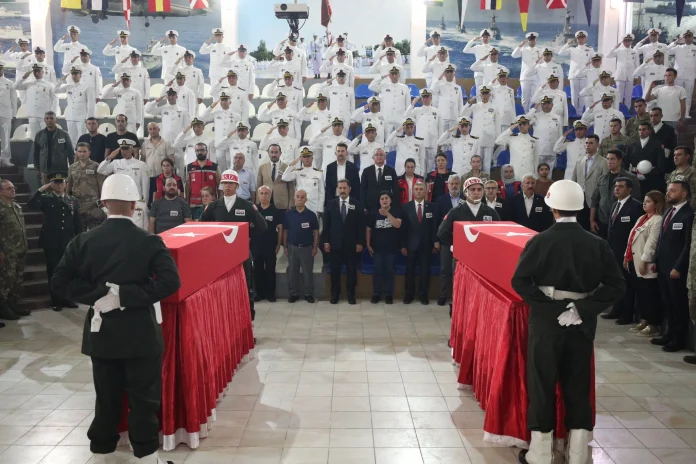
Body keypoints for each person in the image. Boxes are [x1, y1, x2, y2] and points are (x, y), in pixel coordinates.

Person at [50, 174, 181, 464]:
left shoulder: (83, 240)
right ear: (135, 205)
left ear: (104, 203)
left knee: (106, 399)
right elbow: (170, 282)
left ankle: (103, 454)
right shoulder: (150, 241)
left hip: (103, 334)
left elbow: (59, 282)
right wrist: (127, 296)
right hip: (140, 334)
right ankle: (146, 457)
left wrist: (99, 295)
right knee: (144, 400)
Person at [511, 180, 625, 464]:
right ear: (580, 207)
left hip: (545, 323)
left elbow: (520, 281)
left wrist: (549, 309)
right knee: (578, 386)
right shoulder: (598, 244)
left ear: (552, 208)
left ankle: (540, 454)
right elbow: (616, 286)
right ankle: (577, 453)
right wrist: (582, 308)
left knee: (542, 385)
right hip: (581, 324)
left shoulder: (539, 241)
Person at [201, 169, 267, 319]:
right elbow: (202, 225)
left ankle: (247, 319)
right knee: (221, 287)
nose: (227, 186)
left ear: (237, 186)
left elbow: (262, 226)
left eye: (231, 183)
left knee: (245, 286)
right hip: (220, 254)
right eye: (225, 183)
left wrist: (245, 235)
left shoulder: (246, 205)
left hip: (241, 253)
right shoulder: (213, 206)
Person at [28, 172, 82, 312]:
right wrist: (41, 189)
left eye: (61, 182)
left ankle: (67, 298)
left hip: (68, 241)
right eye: (56, 183)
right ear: (51, 184)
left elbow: (77, 222)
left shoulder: (72, 200)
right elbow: (31, 204)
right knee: (53, 271)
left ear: (65, 184)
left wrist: (79, 240)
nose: (59, 185)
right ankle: (56, 300)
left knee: (68, 271)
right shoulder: (46, 199)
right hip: (51, 242)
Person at [652, 181, 693, 353]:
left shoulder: (689, 214)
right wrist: (655, 260)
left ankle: (678, 339)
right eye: (668, 190)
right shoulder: (669, 211)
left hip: (676, 269)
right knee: (667, 302)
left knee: (678, 304)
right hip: (663, 266)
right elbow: (661, 239)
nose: (668, 193)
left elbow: (688, 245)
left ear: (684, 194)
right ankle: (668, 333)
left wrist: (678, 267)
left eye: (673, 191)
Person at [601, 178, 644, 325]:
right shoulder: (615, 205)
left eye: (620, 186)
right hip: (614, 251)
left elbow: (635, 230)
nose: (617, 189)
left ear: (629, 189)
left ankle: (627, 314)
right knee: (617, 282)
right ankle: (616, 310)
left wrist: (629, 250)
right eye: (616, 186)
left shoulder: (636, 206)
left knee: (628, 283)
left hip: (627, 251)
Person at [625, 191, 665, 338]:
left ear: (657, 203)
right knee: (642, 293)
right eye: (644, 201)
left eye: (648, 201)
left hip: (646, 262)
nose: (644, 203)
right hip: (634, 259)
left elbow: (652, 242)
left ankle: (653, 324)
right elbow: (632, 238)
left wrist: (644, 260)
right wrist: (626, 256)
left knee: (650, 294)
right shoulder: (642, 218)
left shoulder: (657, 219)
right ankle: (644, 320)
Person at [322, 179, 365, 304]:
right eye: (340, 188)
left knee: (351, 270)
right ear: (337, 189)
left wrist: (360, 242)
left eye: (344, 188)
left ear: (349, 189)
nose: (342, 190)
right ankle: (335, 294)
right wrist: (326, 242)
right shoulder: (330, 204)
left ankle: (351, 294)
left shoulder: (357, 204)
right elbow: (326, 225)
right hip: (334, 244)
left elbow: (361, 226)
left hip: (351, 244)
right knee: (335, 271)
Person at [401, 180, 439, 305]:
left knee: (425, 271)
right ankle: (409, 294)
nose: (418, 191)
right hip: (410, 245)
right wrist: (402, 245)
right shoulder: (406, 207)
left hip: (426, 245)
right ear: (413, 192)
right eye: (416, 189)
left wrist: (435, 242)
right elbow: (403, 228)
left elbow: (434, 226)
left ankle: (423, 295)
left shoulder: (432, 206)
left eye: (421, 189)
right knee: (410, 270)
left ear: (425, 191)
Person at [437, 177, 501, 249]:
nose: (476, 192)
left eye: (479, 189)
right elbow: (442, 233)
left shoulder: (491, 212)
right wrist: (457, 243)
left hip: (484, 251)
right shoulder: (455, 212)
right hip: (463, 252)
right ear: (465, 192)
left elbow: (499, 233)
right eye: (472, 189)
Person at [590, 149, 641, 238]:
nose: (609, 161)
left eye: (612, 159)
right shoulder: (602, 178)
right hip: (602, 221)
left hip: (622, 223)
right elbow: (594, 200)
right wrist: (592, 220)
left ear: (620, 161)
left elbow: (636, 201)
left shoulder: (631, 178)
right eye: (608, 159)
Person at [283, 189, 319, 303]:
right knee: (292, 272)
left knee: (308, 273)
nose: (299, 199)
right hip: (292, 247)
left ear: (306, 200)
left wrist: (315, 247)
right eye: (297, 196)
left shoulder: (311, 215)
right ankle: (294, 294)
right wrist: (285, 246)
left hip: (307, 248)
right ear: (294, 198)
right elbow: (285, 231)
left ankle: (309, 294)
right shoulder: (288, 214)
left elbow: (316, 232)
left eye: (302, 197)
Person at [0, 179, 28, 323]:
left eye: (13, 187)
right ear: (1, 192)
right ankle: (3, 308)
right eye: (9, 188)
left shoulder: (16, 206)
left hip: (20, 248)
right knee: (6, 281)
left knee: (17, 279)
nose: (13, 190)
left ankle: (13, 305)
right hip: (7, 251)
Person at [366, 191, 401, 304]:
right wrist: (368, 244)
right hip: (377, 249)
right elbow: (368, 229)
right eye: (382, 198)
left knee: (389, 271)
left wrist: (387, 214)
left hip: (391, 248)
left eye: (386, 198)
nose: (384, 200)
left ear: (390, 200)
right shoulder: (374, 213)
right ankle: (376, 294)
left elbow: (397, 225)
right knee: (377, 270)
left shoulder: (396, 211)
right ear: (379, 201)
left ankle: (388, 294)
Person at [435, 175, 463, 306]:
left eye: (456, 183)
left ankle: (457, 296)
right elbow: (436, 221)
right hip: (446, 240)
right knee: (445, 269)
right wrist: (436, 240)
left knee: (459, 270)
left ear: (460, 185)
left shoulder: (466, 199)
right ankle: (443, 295)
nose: (454, 186)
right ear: (448, 185)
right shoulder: (441, 200)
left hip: (462, 240)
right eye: (452, 183)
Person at [253, 185, 283, 302]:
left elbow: (280, 228)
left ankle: (270, 294)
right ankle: (259, 294)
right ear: (258, 195)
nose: (264, 196)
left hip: (270, 246)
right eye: (262, 193)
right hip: (256, 245)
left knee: (270, 270)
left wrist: (278, 244)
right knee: (257, 270)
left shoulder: (275, 211)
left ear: (270, 196)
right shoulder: (254, 210)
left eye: (266, 194)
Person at [460, 86, 500, 173]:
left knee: (487, 164)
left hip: (489, 137)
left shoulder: (494, 107)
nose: (485, 95)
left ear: (489, 94)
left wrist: (497, 137)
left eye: (486, 93)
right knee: (477, 163)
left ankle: (486, 180)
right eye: (483, 93)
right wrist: (468, 103)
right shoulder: (475, 106)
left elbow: (497, 123)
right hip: (477, 138)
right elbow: (463, 114)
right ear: (480, 95)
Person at [572, 134, 608, 230]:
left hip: (596, 201)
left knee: (594, 228)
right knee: (580, 227)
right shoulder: (579, 161)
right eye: (586, 143)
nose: (588, 145)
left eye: (591, 143)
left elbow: (605, 184)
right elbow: (573, 181)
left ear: (598, 145)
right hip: (580, 199)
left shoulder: (604, 162)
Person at [67, 142, 104, 230]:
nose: (82, 154)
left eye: (84, 151)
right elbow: (69, 184)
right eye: (79, 151)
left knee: (94, 230)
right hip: (77, 203)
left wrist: (102, 199)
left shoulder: (96, 166)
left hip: (92, 203)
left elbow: (101, 184)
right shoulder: (72, 167)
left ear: (89, 153)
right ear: (76, 152)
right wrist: (66, 198)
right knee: (79, 230)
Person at [14, 64, 57, 138]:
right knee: (35, 137)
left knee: (46, 137)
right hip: (32, 115)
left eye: (38, 71)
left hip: (44, 116)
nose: (36, 73)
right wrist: (23, 78)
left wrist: (53, 114)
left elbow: (55, 100)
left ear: (42, 72)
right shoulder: (29, 84)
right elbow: (15, 86)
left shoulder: (49, 85)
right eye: (35, 71)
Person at [55, 67, 95, 142]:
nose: (74, 76)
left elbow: (90, 103)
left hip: (81, 117)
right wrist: (61, 80)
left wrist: (89, 117)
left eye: (76, 74)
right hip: (70, 116)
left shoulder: (86, 87)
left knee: (82, 139)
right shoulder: (68, 86)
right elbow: (55, 90)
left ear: (80, 75)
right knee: (71, 139)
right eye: (72, 74)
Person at [32, 112, 74, 185]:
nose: (49, 120)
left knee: (60, 190)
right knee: (47, 191)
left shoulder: (64, 134)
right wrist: (37, 169)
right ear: (44, 120)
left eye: (51, 118)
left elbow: (71, 153)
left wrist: (72, 168)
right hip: (45, 170)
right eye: (47, 118)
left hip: (60, 170)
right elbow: (36, 153)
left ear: (56, 119)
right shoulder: (39, 134)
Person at [281, 147, 325, 216]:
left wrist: (320, 209)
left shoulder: (319, 173)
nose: (306, 159)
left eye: (308, 156)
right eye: (304, 157)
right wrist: (293, 164)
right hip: (300, 205)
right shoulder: (297, 172)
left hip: (313, 205)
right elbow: (285, 177)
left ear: (312, 158)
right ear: (301, 158)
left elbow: (321, 192)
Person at [624, 122, 666, 194]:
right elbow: (626, 163)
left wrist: (647, 175)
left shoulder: (657, 145)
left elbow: (661, 165)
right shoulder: (631, 146)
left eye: (644, 129)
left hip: (652, 180)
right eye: (639, 130)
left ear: (649, 131)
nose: (641, 132)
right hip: (634, 179)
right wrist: (631, 176)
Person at [404, 89, 441, 171]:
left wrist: (439, 143)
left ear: (431, 97)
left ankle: (430, 180)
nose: (425, 99)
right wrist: (412, 104)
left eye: (427, 97)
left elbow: (440, 128)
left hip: (433, 142)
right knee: (420, 166)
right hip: (421, 142)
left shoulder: (437, 111)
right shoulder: (417, 110)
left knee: (431, 166)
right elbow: (406, 117)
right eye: (423, 97)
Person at [559, 31, 595, 111]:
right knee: (574, 96)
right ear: (576, 39)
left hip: (584, 75)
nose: (581, 40)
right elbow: (560, 53)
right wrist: (568, 44)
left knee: (583, 96)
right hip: (574, 75)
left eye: (582, 38)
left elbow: (593, 62)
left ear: (585, 39)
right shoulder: (572, 49)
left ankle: (581, 113)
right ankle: (575, 112)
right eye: (579, 38)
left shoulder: (590, 49)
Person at [368, 67, 411, 133]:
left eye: (396, 74)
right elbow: (371, 86)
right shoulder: (384, 86)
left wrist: (406, 118)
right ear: (389, 75)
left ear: (399, 75)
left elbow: (408, 105)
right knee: (387, 137)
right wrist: (381, 77)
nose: (394, 76)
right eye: (392, 74)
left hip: (399, 118)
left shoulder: (405, 87)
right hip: (386, 118)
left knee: (399, 137)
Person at [495, 116, 539, 181]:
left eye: (524, 124)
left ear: (528, 125)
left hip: (529, 173)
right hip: (516, 173)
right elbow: (498, 141)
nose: (522, 126)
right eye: (520, 124)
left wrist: (536, 176)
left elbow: (536, 159)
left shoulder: (534, 140)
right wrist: (511, 128)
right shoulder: (512, 138)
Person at [526, 96, 563, 171]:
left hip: (552, 150)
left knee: (550, 173)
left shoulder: (557, 117)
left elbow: (560, 134)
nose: (547, 106)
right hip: (540, 150)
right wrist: (535, 107)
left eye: (548, 103)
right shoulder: (536, 116)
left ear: (552, 105)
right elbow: (527, 119)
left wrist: (559, 149)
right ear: (541, 105)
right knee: (537, 172)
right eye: (544, 104)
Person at [185, 143, 221, 219]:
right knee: (196, 224)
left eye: (202, 150)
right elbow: (187, 185)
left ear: (206, 151)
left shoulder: (214, 167)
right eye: (197, 150)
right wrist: (187, 203)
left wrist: (220, 202)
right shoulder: (190, 167)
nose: (200, 152)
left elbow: (220, 186)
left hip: (211, 204)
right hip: (194, 205)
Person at [511, 32, 544, 112]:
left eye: (533, 40)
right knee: (525, 99)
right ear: (528, 40)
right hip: (525, 78)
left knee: (534, 98)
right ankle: (525, 115)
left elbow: (542, 63)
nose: (531, 41)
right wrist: (521, 45)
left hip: (536, 77)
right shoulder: (523, 49)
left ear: (535, 40)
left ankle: (531, 115)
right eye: (530, 40)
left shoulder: (540, 50)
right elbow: (514, 55)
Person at [360, 148, 399, 214]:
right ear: (373, 157)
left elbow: (395, 190)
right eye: (376, 155)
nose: (379, 156)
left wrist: (394, 205)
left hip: (387, 206)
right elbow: (362, 189)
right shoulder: (366, 171)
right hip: (370, 206)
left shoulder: (391, 171)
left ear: (385, 157)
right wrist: (363, 206)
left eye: (381, 155)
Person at [667, 30, 696, 117]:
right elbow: (666, 50)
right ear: (683, 38)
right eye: (685, 37)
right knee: (677, 95)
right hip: (679, 75)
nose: (688, 38)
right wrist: (676, 42)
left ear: (692, 37)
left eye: (689, 36)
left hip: (690, 75)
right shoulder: (678, 48)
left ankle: (686, 114)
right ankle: (676, 113)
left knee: (688, 95)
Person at [606, 34, 640, 108]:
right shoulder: (619, 51)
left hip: (630, 76)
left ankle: (627, 111)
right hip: (620, 75)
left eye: (629, 41)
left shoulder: (635, 52)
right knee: (619, 96)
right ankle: (618, 110)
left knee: (628, 96)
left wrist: (636, 76)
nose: (627, 43)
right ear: (623, 42)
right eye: (625, 41)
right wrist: (615, 47)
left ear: (631, 42)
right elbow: (608, 55)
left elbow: (637, 64)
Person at [257, 144, 294, 211]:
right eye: (272, 152)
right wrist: (257, 202)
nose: (274, 154)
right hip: (265, 202)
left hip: (282, 203)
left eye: (276, 152)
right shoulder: (262, 167)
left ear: (280, 153)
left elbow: (291, 188)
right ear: (268, 153)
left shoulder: (287, 168)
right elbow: (259, 186)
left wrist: (291, 204)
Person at [431, 64, 465, 134]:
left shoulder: (458, 87)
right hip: (443, 116)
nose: (449, 74)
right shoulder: (440, 86)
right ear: (445, 74)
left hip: (454, 116)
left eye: (451, 72)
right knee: (442, 137)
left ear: (454, 74)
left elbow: (460, 103)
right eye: (447, 72)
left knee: (452, 137)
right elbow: (432, 90)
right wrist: (439, 78)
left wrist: (460, 116)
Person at [324, 142, 360, 206]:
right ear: (335, 153)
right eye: (339, 151)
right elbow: (328, 187)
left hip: (350, 199)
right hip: (334, 199)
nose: (340, 153)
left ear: (346, 153)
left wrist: (355, 201)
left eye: (343, 151)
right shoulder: (330, 167)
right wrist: (327, 203)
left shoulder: (353, 167)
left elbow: (356, 186)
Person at [650, 107, 677, 174]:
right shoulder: (647, 130)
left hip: (666, 164)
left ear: (661, 116)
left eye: (656, 115)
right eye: (651, 116)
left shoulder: (669, 130)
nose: (653, 118)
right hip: (650, 165)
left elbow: (673, 147)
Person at [0, 63, 17, 166]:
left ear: (3, 69)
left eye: (0, 68)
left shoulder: (9, 83)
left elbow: (14, 100)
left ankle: (6, 158)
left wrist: (14, 114)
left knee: (5, 137)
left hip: (5, 113)